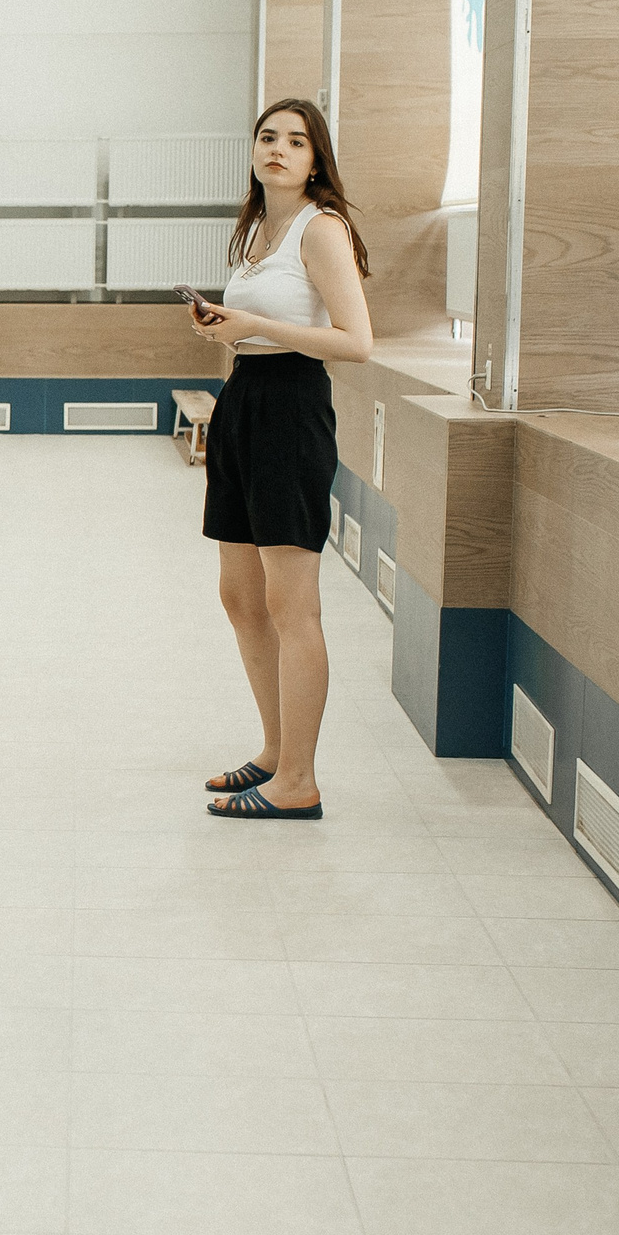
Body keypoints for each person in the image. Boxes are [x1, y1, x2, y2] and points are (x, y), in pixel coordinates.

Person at [192, 98, 375, 821]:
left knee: (292, 605)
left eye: (295, 141)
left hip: (292, 409)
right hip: (244, 399)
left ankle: (298, 780)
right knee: (240, 596)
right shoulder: (255, 230)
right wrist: (227, 331)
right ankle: (274, 751)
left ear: (315, 158)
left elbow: (358, 342)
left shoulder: (321, 228)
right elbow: (259, 329)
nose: (278, 149)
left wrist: (259, 325)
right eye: (268, 137)